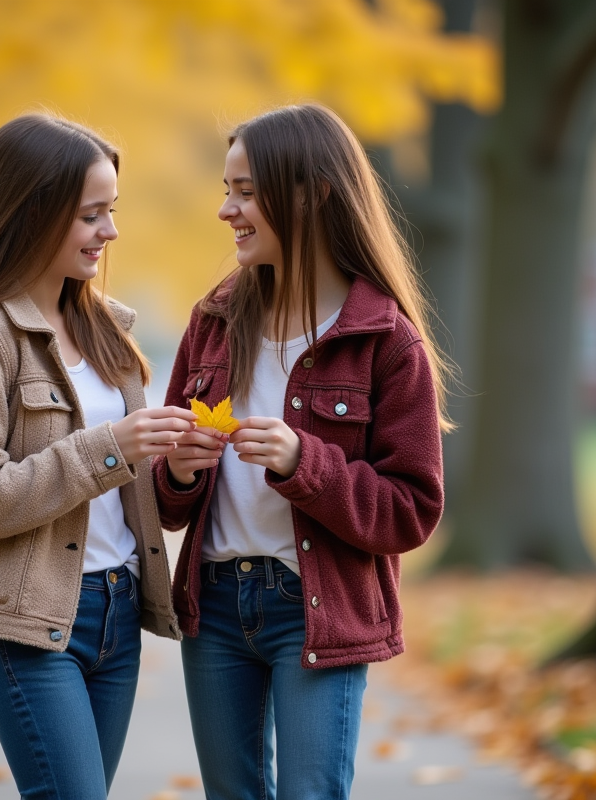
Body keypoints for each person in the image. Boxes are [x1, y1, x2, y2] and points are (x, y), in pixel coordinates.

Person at [152, 104, 451, 799]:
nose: (227, 210)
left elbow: (412, 511)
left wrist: (302, 462)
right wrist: (178, 469)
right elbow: (166, 504)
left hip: (316, 611)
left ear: (312, 192)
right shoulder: (213, 322)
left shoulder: (386, 341)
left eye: (247, 191)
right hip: (217, 607)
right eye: (227, 191)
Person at [0, 114, 192, 800]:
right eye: (92, 215)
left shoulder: (106, 329)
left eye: (110, 212)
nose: (110, 232)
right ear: (32, 214)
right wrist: (109, 448)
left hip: (118, 613)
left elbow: (125, 480)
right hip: (28, 626)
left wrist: (175, 463)